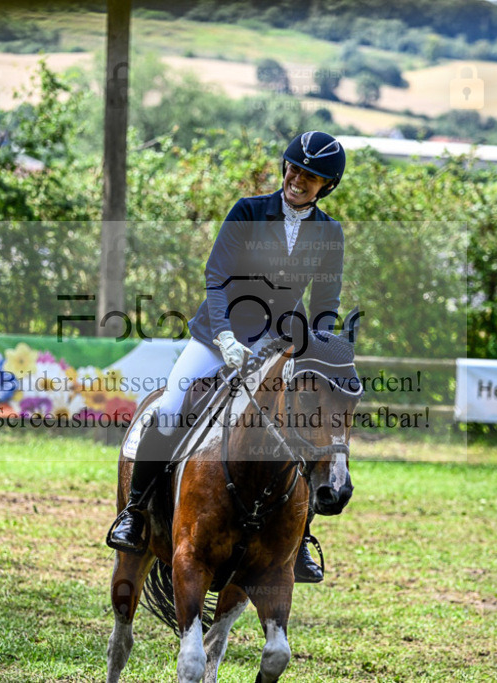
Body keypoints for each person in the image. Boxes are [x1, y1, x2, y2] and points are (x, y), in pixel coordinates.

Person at [107, 131, 347, 583]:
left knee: (302, 432)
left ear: (325, 186)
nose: (298, 179)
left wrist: (313, 351)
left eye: (311, 176)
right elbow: (216, 276)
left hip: (282, 345)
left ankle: (299, 543)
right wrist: (223, 335)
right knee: (172, 408)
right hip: (219, 336)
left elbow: (326, 305)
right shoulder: (248, 211)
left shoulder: (329, 233)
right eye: (294, 168)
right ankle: (136, 514)